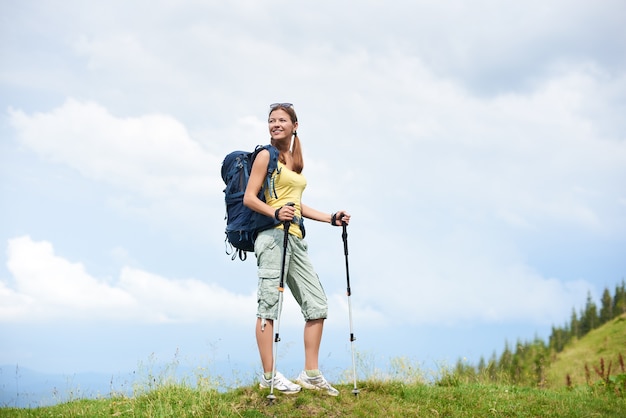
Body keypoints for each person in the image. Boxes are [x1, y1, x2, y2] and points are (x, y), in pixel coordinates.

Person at [243, 102, 350, 396]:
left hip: (295, 238)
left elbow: (296, 204)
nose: (275, 124)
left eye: (281, 120)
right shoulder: (265, 156)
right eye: (271, 120)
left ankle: (311, 374)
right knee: (268, 308)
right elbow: (250, 198)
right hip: (272, 238)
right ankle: (268, 376)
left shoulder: (293, 160)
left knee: (316, 305)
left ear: (294, 126)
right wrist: (275, 213)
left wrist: (330, 218)